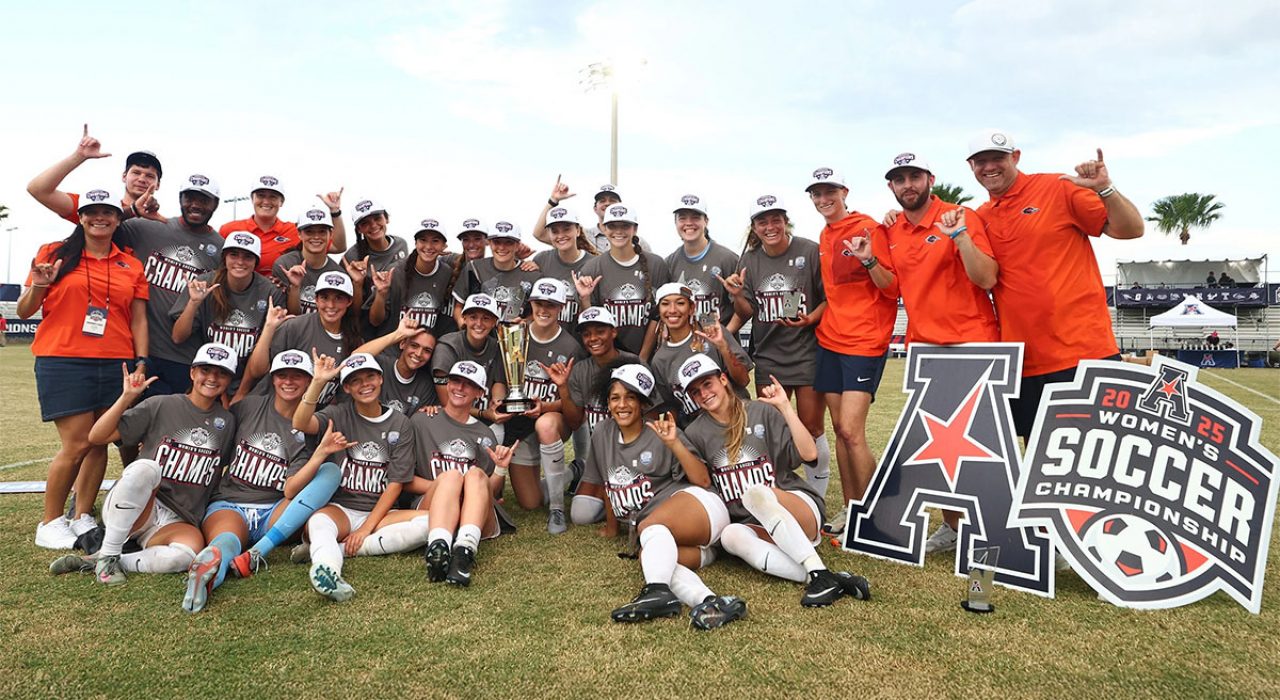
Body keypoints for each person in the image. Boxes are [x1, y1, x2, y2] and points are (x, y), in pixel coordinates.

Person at [855, 152, 999, 554]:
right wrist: (868, 261)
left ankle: (993, 529)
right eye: (899, 180)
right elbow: (890, 288)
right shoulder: (892, 229)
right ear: (891, 187)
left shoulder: (959, 215)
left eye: (914, 176)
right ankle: (952, 527)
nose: (908, 185)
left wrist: (960, 238)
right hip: (926, 348)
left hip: (972, 342)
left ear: (930, 178)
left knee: (982, 445)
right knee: (940, 446)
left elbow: (987, 278)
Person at [965, 130, 1144, 438]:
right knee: (1040, 463)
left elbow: (1131, 229)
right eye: (981, 161)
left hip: (1084, 354)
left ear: (1016, 157)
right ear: (971, 167)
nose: (989, 167)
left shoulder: (1057, 187)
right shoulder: (979, 217)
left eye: (998, 158)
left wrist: (1105, 189)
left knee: (1094, 460)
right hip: (1024, 363)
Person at [680, 354, 871, 606]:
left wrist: (785, 407)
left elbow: (809, 454)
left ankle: (819, 572)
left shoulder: (759, 411)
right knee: (730, 536)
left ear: (723, 380)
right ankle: (823, 576)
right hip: (758, 525)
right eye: (695, 392)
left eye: (707, 384)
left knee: (757, 492)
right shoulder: (695, 432)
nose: (703, 394)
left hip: (796, 507)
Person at [19, 187, 149, 549]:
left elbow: (138, 319)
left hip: (116, 360)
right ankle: (50, 522)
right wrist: (39, 285)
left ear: (118, 219)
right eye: (92, 211)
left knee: (99, 444)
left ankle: (82, 517)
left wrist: (141, 359)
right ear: (80, 217)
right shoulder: (54, 254)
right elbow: (27, 309)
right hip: (64, 358)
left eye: (108, 212)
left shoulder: (130, 263)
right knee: (76, 443)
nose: (99, 218)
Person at [50, 343, 238, 584]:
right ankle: (108, 557)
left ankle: (101, 559)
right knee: (146, 468)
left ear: (229, 379)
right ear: (192, 373)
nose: (212, 378)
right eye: (205, 370)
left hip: (178, 518)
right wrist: (126, 397)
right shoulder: (162, 404)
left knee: (185, 556)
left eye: (221, 373)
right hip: (138, 503)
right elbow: (97, 437)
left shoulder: (227, 421)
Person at [581, 364, 745, 630]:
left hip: (701, 508)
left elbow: (703, 480)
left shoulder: (662, 432)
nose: (622, 405)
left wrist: (674, 444)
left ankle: (655, 591)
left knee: (651, 528)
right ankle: (710, 601)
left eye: (631, 397)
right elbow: (607, 482)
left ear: (643, 403)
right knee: (651, 557)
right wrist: (612, 528)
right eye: (615, 398)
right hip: (680, 541)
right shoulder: (602, 433)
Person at [181, 350, 341, 612]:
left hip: (273, 511)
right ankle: (206, 573)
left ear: (308, 381)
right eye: (282, 376)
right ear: (273, 378)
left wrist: (320, 454)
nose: (288, 382)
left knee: (330, 471)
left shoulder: (310, 425)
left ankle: (258, 551)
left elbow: (291, 488)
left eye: (297, 377)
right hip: (231, 503)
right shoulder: (249, 406)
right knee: (226, 542)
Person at [720, 195, 833, 504]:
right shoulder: (750, 261)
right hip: (769, 356)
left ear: (785, 220)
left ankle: (816, 496)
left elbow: (827, 298)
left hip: (807, 353)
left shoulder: (809, 250)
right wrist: (735, 295)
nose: (769, 226)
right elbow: (748, 310)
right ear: (754, 227)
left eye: (775, 219)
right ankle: (779, 493)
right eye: (762, 221)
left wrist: (810, 318)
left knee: (811, 427)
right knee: (770, 428)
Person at [806, 167, 898, 531]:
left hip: (864, 341)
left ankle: (885, 512)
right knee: (839, 431)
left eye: (829, 191)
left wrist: (868, 259)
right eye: (816, 193)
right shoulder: (825, 234)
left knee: (850, 429)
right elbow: (833, 294)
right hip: (830, 339)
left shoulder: (870, 228)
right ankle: (851, 508)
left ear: (845, 191)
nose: (823, 199)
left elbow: (891, 288)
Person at [290, 353, 422, 602]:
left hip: (381, 512)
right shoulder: (339, 414)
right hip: (342, 507)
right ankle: (327, 570)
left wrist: (366, 529)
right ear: (347, 388)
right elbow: (300, 422)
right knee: (319, 523)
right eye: (356, 381)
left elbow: (396, 484)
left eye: (370, 376)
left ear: (381, 378)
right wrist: (317, 382)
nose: (365, 384)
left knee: (430, 524)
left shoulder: (400, 423)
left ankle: (340, 550)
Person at [113, 173, 226, 396]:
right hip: (138, 350)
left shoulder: (222, 249)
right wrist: (133, 210)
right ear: (180, 198)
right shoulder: (149, 227)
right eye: (189, 197)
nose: (195, 205)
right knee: (130, 424)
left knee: (171, 426)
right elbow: (101, 226)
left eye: (204, 199)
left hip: (185, 356)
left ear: (215, 204)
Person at [416, 361, 515, 586]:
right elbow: (405, 480)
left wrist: (500, 467)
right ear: (447, 383)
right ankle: (438, 549)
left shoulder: (485, 433)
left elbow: (490, 491)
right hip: (431, 507)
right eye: (455, 381)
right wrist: (448, 489)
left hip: (473, 515)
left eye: (468, 385)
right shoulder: (422, 420)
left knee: (476, 476)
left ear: (480, 393)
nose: (459, 388)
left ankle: (463, 553)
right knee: (452, 477)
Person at [499, 278, 585, 533]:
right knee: (529, 502)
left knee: (545, 425)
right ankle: (574, 471)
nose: (544, 310)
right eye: (538, 303)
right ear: (531, 304)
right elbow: (499, 379)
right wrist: (500, 401)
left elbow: (573, 404)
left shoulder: (570, 346)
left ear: (561, 307)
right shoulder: (515, 334)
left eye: (551, 304)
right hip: (520, 421)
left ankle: (557, 509)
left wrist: (545, 407)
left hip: (553, 419)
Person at [171, 232, 287, 392]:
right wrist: (193, 303)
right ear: (224, 258)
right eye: (233, 255)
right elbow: (178, 337)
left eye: (248, 257)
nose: (240, 262)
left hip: (249, 383)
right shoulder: (205, 283)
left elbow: (260, 363)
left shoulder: (271, 293)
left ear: (256, 262)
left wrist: (242, 392)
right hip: (209, 377)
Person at [235, 271, 362, 406]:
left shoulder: (353, 339)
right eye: (324, 297)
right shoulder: (295, 327)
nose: (331, 305)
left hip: (312, 417)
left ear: (349, 301)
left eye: (338, 298)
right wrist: (241, 392)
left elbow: (340, 395)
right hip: (272, 410)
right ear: (316, 299)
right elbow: (256, 370)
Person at [648, 282, 751, 426]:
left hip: (737, 418)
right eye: (665, 304)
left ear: (691, 308)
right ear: (659, 311)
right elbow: (671, 407)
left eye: (680, 303)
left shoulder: (710, 329)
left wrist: (723, 346)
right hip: (701, 432)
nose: (672, 310)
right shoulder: (659, 359)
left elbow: (743, 380)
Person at [575, 204, 671, 358]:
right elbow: (591, 322)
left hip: (649, 356)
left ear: (635, 229)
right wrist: (585, 298)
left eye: (625, 226)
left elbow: (658, 316)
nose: (618, 231)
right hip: (608, 358)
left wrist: (643, 358)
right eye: (612, 226)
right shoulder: (592, 268)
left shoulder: (656, 264)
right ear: (604, 229)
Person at [26, 124, 164, 224]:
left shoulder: (163, 225)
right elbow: (38, 190)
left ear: (157, 185)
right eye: (136, 172)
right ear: (124, 176)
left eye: (149, 176)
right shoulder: (96, 206)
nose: (142, 179)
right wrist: (78, 156)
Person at [218, 176, 347, 275]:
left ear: (282, 202)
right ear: (252, 198)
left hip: (281, 300)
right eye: (261, 195)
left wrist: (335, 211)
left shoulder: (294, 231)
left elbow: (338, 247)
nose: (266, 201)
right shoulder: (228, 230)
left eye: (273, 197)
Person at [663, 194, 740, 329]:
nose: (688, 223)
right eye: (682, 218)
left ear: (706, 221)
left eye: (695, 217)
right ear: (675, 222)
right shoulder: (669, 262)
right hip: (684, 345)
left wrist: (724, 337)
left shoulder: (727, 258)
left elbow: (743, 310)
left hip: (719, 345)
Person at [375, 217, 458, 338]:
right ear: (415, 243)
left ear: (444, 246)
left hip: (425, 350)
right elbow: (375, 321)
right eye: (423, 240)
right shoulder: (395, 271)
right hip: (392, 349)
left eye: (435, 241)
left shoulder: (447, 274)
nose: (428, 246)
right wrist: (380, 294)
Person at [430, 294, 509, 419]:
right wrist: (483, 414)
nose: (479, 323)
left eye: (486, 318)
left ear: (494, 322)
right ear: (464, 318)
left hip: (487, 416)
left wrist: (497, 404)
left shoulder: (497, 346)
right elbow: (446, 402)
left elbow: (498, 382)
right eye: (473, 317)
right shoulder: (447, 346)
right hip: (450, 417)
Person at [451, 219, 539, 324]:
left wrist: (525, 322)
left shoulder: (532, 275)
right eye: (497, 242)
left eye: (508, 243)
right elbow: (458, 307)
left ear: (517, 245)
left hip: (513, 337)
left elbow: (538, 312)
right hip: (481, 337)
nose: (502, 247)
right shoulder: (474, 268)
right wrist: (464, 325)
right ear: (489, 243)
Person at [343, 198, 408, 338]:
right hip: (366, 328)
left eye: (377, 218)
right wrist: (358, 284)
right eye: (365, 223)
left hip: (397, 320)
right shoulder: (352, 256)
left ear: (387, 218)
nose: (373, 225)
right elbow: (352, 310)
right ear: (359, 229)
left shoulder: (401, 244)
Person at [350, 316, 439, 414]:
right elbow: (355, 357)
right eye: (414, 345)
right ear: (402, 344)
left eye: (427, 350)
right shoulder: (380, 364)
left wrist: (427, 413)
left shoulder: (425, 385)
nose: (418, 354)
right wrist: (398, 334)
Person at [272, 206, 349, 315]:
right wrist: (295, 287)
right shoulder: (284, 264)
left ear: (330, 234)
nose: (316, 237)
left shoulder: (338, 273)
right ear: (299, 234)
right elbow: (289, 316)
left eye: (322, 232)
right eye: (309, 232)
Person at [532, 205, 598, 328]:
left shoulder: (595, 264)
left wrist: (584, 299)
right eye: (555, 231)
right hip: (546, 341)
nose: (560, 235)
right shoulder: (541, 260)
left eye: (566, 229)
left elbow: (594, 319)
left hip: (578, 342)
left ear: (577, 231)